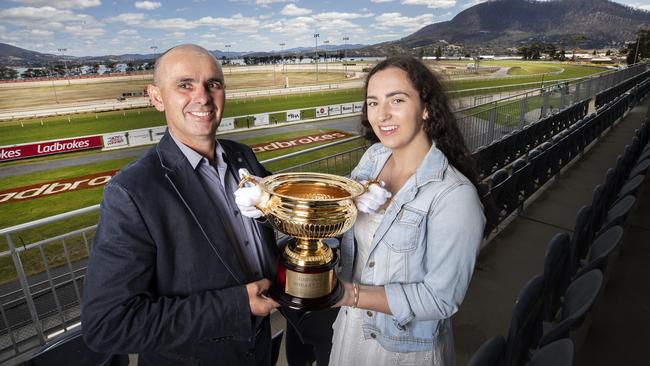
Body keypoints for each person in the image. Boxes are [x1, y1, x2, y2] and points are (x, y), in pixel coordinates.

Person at [81, 44, 280, 366]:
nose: (202, 97)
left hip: (257, 349)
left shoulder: (242, 156)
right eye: (185, 85)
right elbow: (108, 324)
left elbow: (278, 214)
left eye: (213, 84)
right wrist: (236, 305)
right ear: (157, 97)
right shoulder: (132, 191)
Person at [329, 56, 488, 365]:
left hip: (403, 350)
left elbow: (440, 298)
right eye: (372, 103)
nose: (382, 115)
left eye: (396, 100)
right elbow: (346, 228)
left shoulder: (455, 196)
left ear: (425, 108)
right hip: (350, 327)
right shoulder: (372, 159)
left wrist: (349, 294)